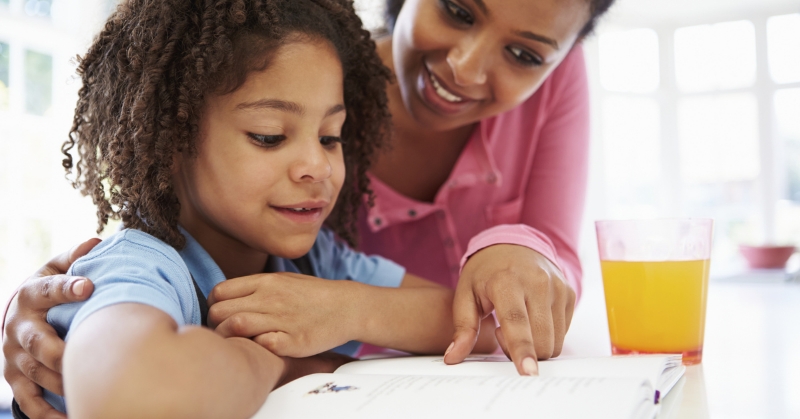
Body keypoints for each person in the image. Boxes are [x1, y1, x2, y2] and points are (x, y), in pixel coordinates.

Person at [3, 0, 617, 416]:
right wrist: (276, 360)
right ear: (169, 141)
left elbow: (482, 324)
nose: (318, 167)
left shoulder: (316, 259)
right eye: (270, 136)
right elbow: (132, 396)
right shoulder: (144, 266)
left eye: (331, 137)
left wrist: (346, 314)